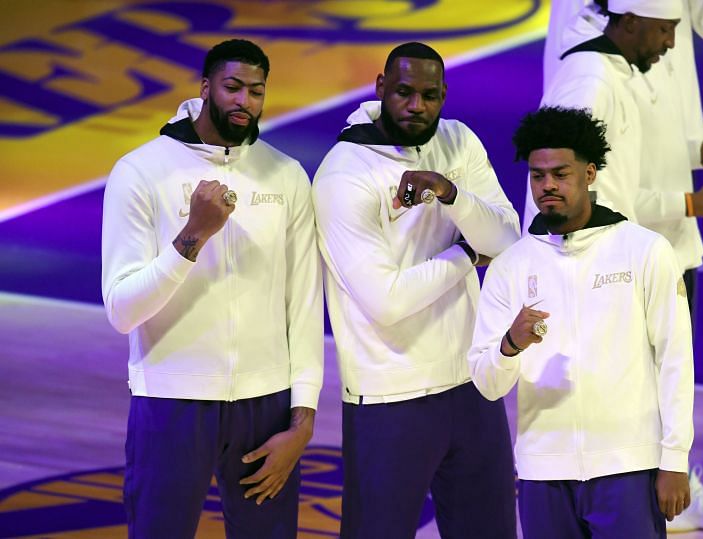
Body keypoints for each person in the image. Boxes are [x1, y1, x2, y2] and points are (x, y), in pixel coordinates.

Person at [530, 2, 703, 531]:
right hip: (600, 276)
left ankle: (660, 494)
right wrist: (693, 204)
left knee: (658, 394)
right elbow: (596, 202)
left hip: (639, 261)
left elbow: (636, 155)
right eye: (665, 30)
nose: (672, 45)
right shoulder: (590, 81)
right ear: (630, 22)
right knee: (628, 404)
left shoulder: (624, 70)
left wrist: (700, 148)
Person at [101, 39, 323, 538]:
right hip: (171, 401)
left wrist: (303, 419)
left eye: (257, 91)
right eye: (233, 87)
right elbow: (120, 310)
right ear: (205, 89)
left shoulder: (286, 176)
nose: (245, 101)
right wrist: (191, 237)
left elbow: (306, 303)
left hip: (265, 406)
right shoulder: (141, 172)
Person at [312, 42, 520, 539]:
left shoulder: (458, 142)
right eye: (403, 92)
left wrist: (450, 193)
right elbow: (388, 303)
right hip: (389, 397)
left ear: (444, 94)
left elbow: (508, 241)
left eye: (429, 95)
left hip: (471, 384)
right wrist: (467, 254)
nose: (416, 106)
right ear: (381, 88)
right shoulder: (344, 176)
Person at [470, 106, 695, 538]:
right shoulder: (510, 266)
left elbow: (675, 361)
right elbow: (487, 383)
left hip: (628, 467)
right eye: (538, 175)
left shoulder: (645, 251)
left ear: (590, 174)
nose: (548, 185)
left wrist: (674, 460)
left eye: (561, 173)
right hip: (543, 472)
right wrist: (509, 346)